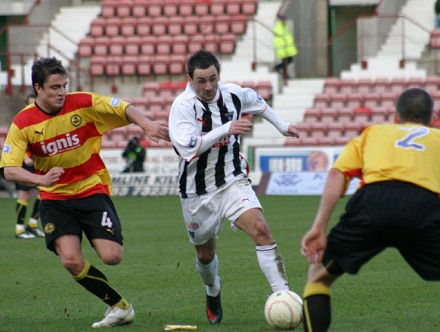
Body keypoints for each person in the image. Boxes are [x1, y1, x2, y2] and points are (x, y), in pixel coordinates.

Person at [0, 57, 169, 328]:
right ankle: (120, 307)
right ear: (38, 88)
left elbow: (123, 107)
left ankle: (117, 298)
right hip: (55, 199)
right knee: (70, 259)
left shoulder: (84, 103)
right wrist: (40, 178)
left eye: (64, 85)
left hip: (91, 189)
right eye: (54, 87)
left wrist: (146, 124)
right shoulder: (23, 123)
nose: (61, 92)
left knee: (112, 256)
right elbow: (9, 170)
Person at [168, 50, 300, 324]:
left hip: (231, 180)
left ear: (219, 75)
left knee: (261, 229)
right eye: (201, 80)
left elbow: (259, 103)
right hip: (196, 192)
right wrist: (225, 129)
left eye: (213, 79)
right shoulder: (182, 106)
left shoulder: (234, 95)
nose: (208, 86)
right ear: (189, 79)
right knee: (205, 255)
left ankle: (283, 295)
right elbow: (187, 148)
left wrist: (282, 126)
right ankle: (212, 289)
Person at [300, 87, 440, 331]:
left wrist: (319, 227)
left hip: (373, 202)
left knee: (318, 277)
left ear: (396, 118)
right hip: (423, 204)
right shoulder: (437, 138)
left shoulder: (373, 133)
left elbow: (337, 173)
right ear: (433, 120)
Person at [15, 93, 45, 239]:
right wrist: (26, 157)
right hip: (26, 162)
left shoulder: (43, 120)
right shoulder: (21, 121)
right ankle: (19, 229)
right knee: (24, 195)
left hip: (39, 162)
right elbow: (16, 143)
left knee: (44, 192)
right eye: (30, 103)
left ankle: (33, 224)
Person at [273, 13, 298, 85]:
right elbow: (280, 38)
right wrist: (285, 45)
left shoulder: (283, 26)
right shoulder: (278, 27)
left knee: (287, 62)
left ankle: (284, 74)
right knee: (286, 62)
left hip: (287, 48)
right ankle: (282, 73)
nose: (284, 21)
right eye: (283, 20)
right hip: (283, 48)